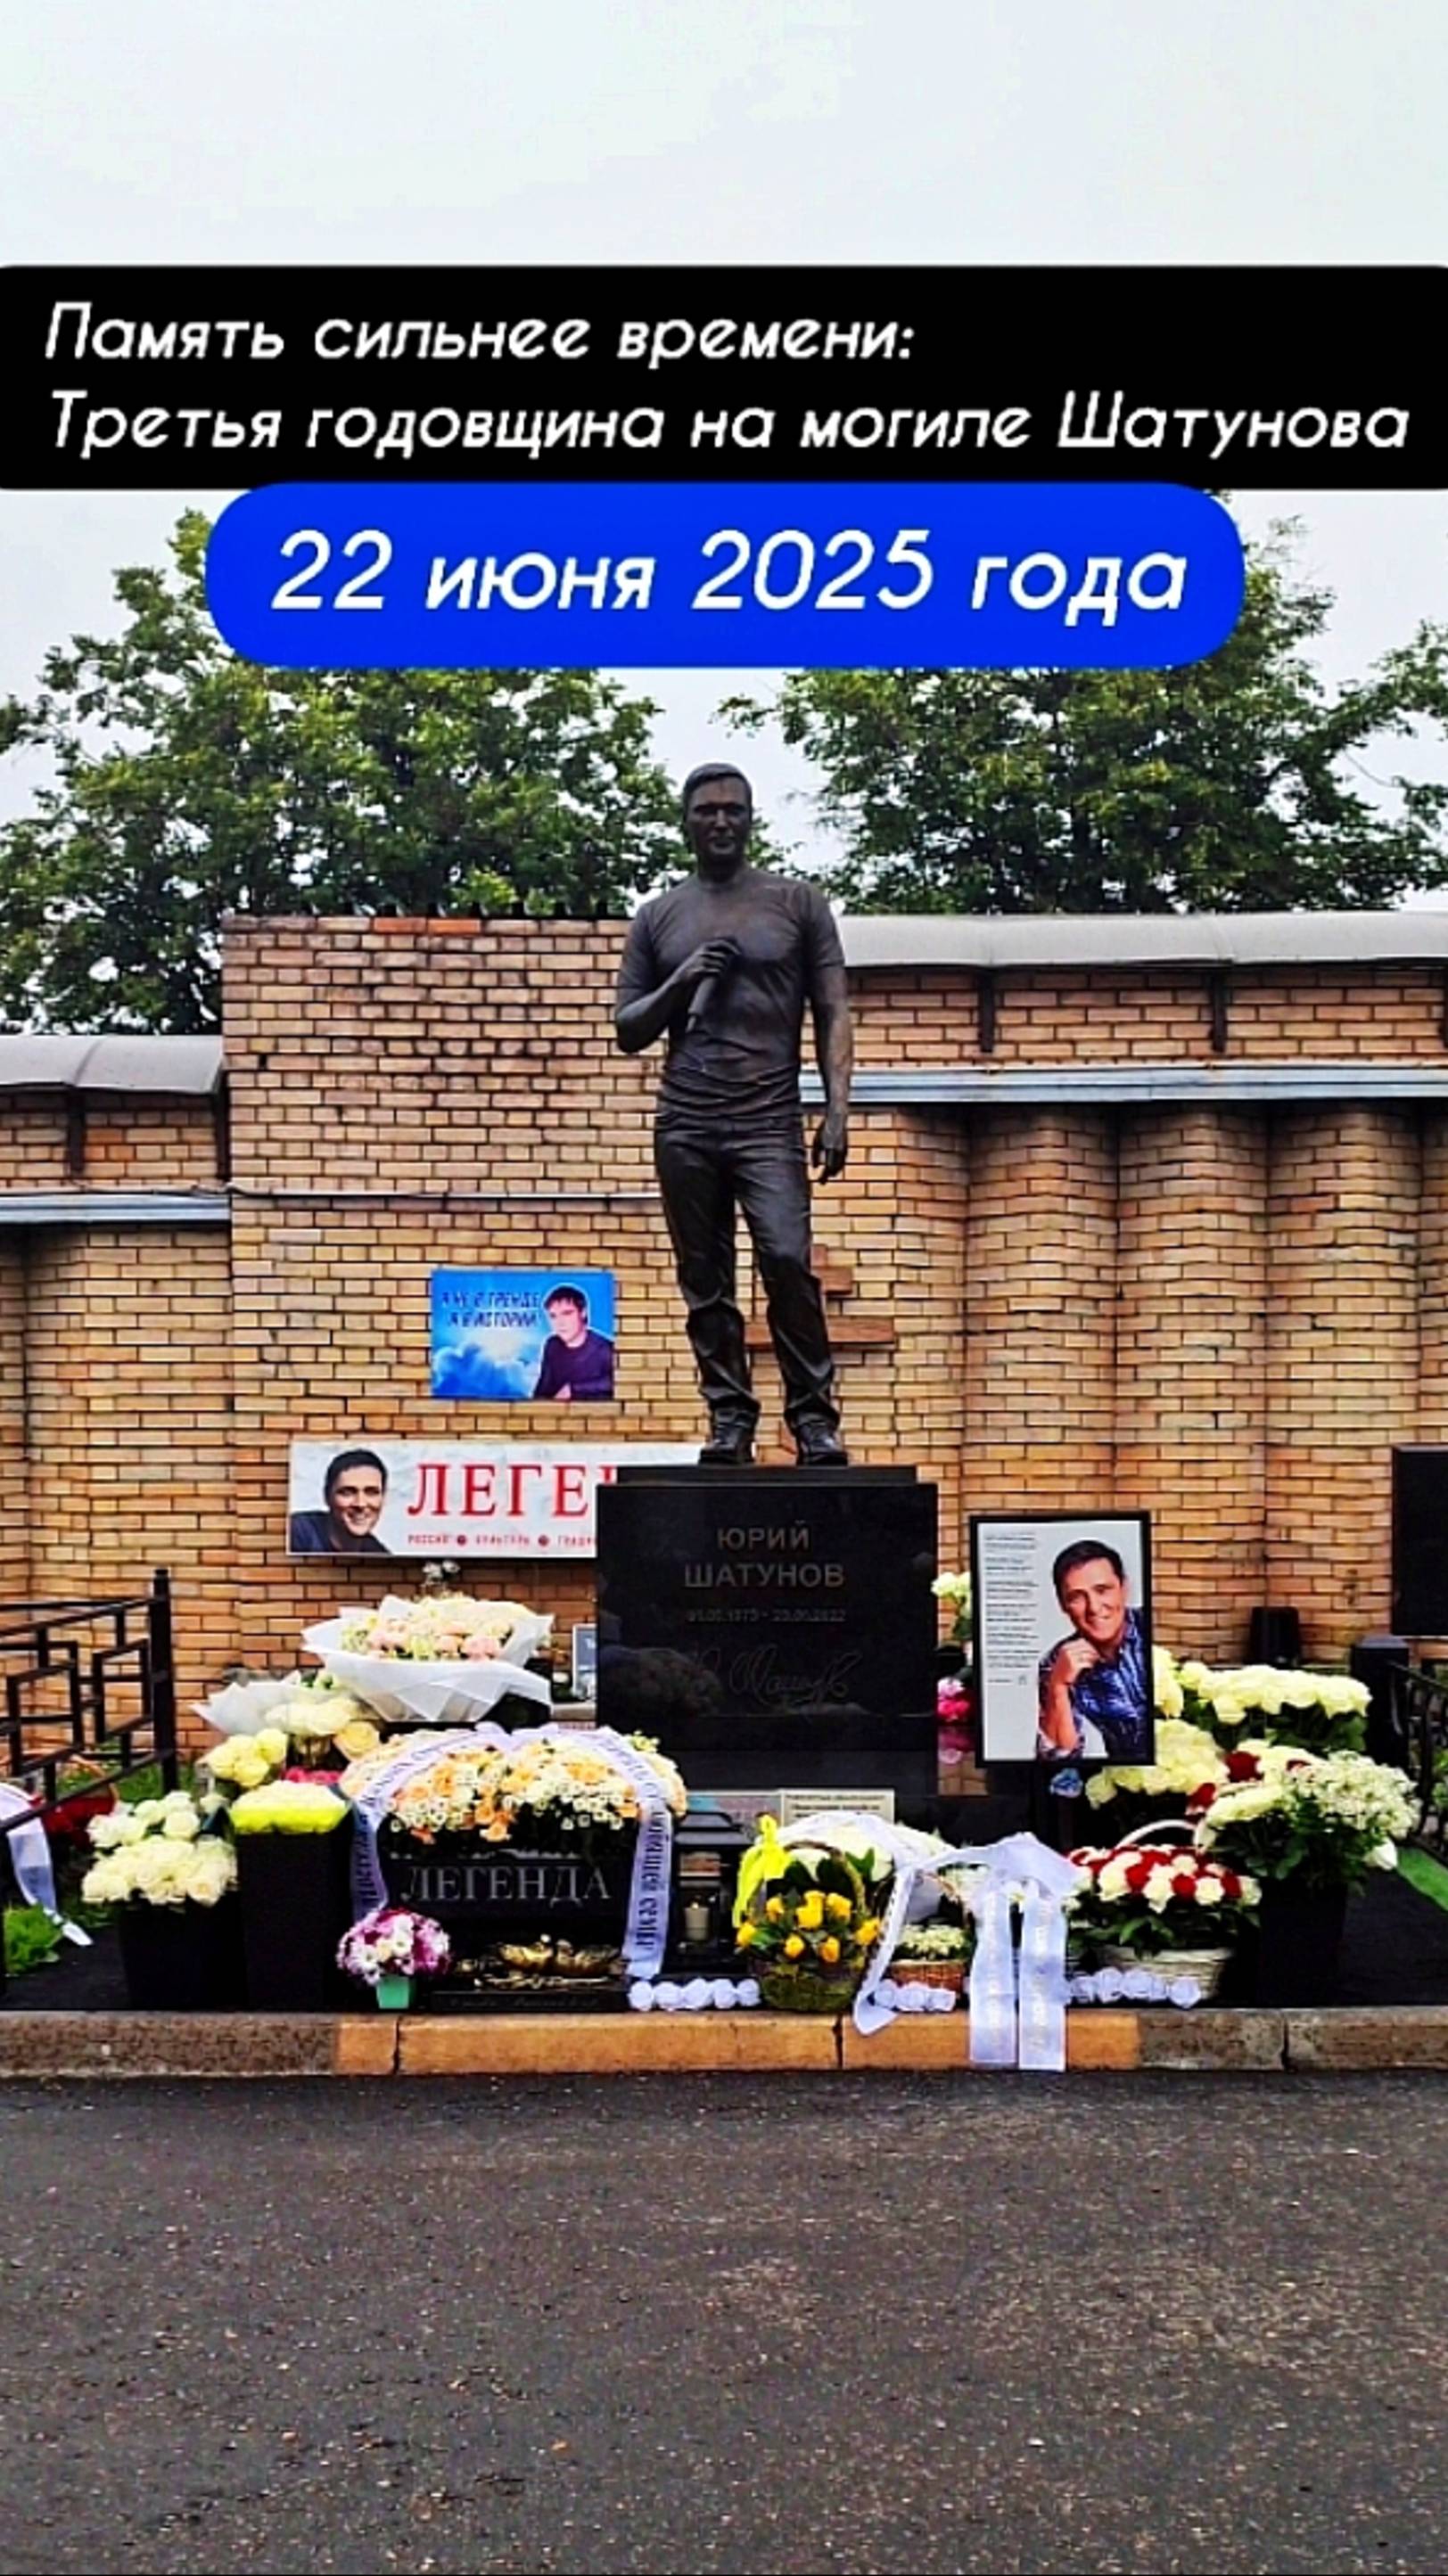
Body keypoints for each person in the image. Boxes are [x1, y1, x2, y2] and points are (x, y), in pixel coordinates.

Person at [613, 762, 852, 1467]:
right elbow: (627, 1028)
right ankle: (729, 1416)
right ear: (686, 822)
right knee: (705, 1277)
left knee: (785, 1259)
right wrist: (683, 978)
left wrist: (838, 1108)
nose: (720, 821)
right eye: (707, 810)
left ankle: (814, 1420)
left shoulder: (797, 904)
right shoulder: (658, 916)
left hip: (768, 1118)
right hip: (687, 1119)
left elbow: (833, 1010)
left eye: (733, 810)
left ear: (751, 820)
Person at [1036, 1538, 1150, 1761]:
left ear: (1124, 1588)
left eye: (1102, 1590)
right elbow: (1059, 1759)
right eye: (1077, 1597)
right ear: (1062, 1604)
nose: (1094, 1607)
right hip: (1125, 1774)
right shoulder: (1057, 1662)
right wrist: (1058, 1687)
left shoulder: (1150, 1626)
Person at [289, 1448, 391, 1555]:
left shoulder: (379, 1554)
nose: (360, 1504)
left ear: (383, 1498)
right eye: (347, 1493)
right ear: (327, 1496)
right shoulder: (295, 1532)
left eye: (371, 1493)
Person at [531, 1284, 616, 1401]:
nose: (560, 1323)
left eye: (567, 1313)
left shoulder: (605, 1349)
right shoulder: (552, 1345)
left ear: (583, 1313)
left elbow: (618, 1381)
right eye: (553, 1316)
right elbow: (543, 1389)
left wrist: (574, 1389)